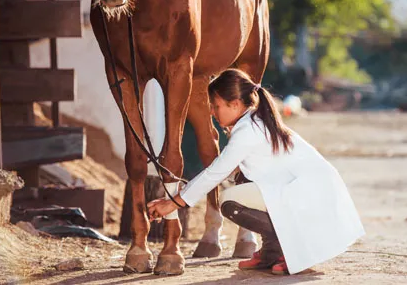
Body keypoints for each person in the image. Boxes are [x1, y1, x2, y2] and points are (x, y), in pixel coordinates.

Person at [147, 69, 365, 275]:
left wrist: (172, 203)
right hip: (305, 192)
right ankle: (272, 250)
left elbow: (216, 172)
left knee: (230, 202)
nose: (212, 112)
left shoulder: (248, 131)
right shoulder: (252, 121)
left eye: (216, 106)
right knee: (241, 182)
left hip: (311, 196)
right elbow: (229, 171)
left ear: (235, 104)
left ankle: (291, 247)